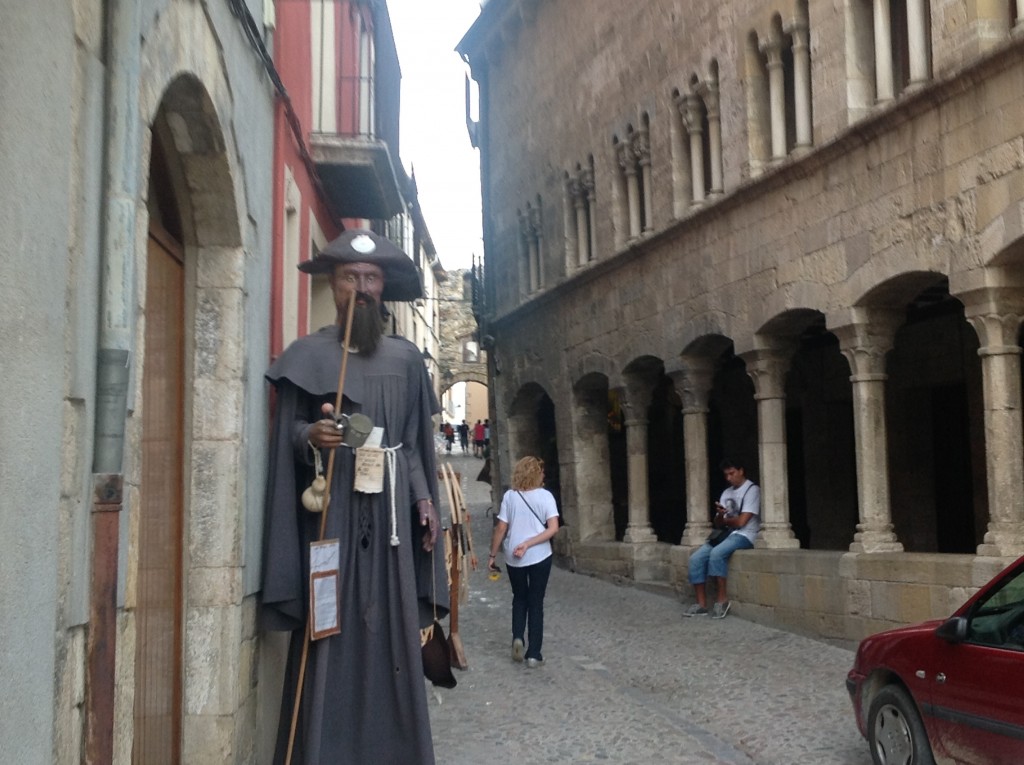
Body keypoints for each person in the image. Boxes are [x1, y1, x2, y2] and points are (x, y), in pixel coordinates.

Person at [261, 229, 448, 764]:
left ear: (383, 287)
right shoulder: (307, 356)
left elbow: (413, 446)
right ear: (334, 285)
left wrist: (424, 502)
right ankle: (323, 748)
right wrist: (309, 438)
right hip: (333, 522)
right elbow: (290, 435)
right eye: (350, 278)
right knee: (329, 625)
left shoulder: (407, 360)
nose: (361, 288)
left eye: (370, 278)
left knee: (388, 627)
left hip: (389, 525)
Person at [487, 456, 560, 668]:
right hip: (539, 555)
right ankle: (534, 654)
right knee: (536, 601)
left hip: (513, 556)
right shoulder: (545, 497)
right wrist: (530, 543)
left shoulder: (510, 496)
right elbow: (553, 528)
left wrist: (493, 555)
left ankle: (517, 637)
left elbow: (501, 528)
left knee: (519, 598)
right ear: (537, 474)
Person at [682, 457, 760, 619]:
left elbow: (742, 521)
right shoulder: (726, 492)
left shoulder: (752, 490)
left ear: (741, 471)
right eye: (726, 475)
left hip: (746, 534)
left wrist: (725, 520)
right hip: (726, 534)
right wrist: (720, 515)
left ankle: (722, 600)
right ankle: (701, 604)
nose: (729, 478)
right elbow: (718, 523)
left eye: (732, 473)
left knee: (717, 554)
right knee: (696, 558)